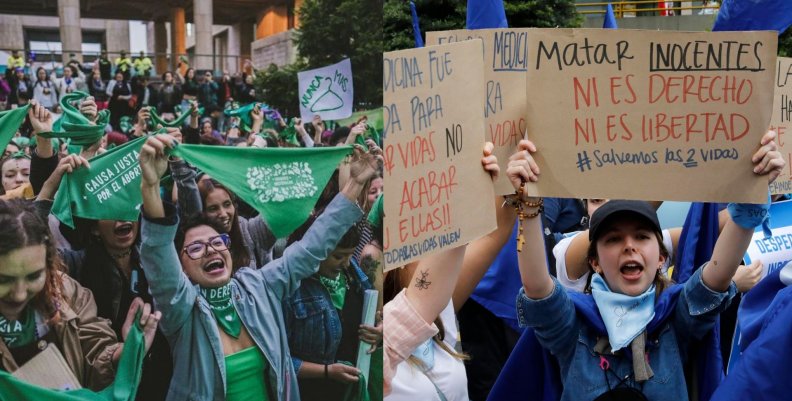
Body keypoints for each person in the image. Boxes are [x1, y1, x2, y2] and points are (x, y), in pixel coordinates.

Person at [492, 131, 783, 401]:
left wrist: (751, 192)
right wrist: (527, 206)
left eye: (642, 236)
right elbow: (537, 288)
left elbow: (718, 275)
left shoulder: (675, 318)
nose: (629, 245)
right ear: (595, 262)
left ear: (660, 258)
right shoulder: (573, 326)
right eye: (614, 239)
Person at [136, 134, 381, 401]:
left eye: (218, 242)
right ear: (181, 268)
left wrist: (356, 183)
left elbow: (312, 246)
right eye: (195, 248)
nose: (210, 250)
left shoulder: (258, 286)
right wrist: (150, 185)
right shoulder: (182, 310)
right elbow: (158, 256)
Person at [0, 199, 161, 391]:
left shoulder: (68, 292)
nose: (19, 294)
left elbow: (93, 358)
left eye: (34, 276)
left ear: (49, 263)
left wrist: (126, 351)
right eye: (5, 280)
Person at [284, 223, 382, 401]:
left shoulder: (355, 276)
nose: (346, 263)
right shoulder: (290, 290)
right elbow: (280, 360)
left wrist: (379, 331)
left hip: (351, 392)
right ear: (314, 251)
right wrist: (327, 371)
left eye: (351, 254)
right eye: (338, 256)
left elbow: (376, 317)